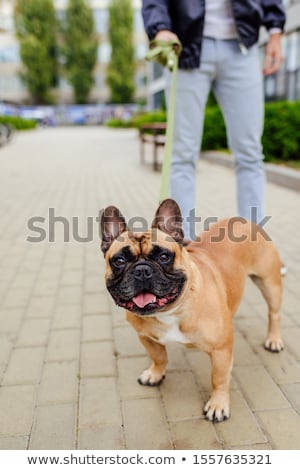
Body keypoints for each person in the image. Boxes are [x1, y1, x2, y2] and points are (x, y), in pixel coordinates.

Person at [141, 0, 286, 242]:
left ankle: (256, 245)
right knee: (182, 153)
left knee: (250, 152)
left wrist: (275, 32)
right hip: (186, 46)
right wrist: (160, 27)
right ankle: (183, 245)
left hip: (242, 47)